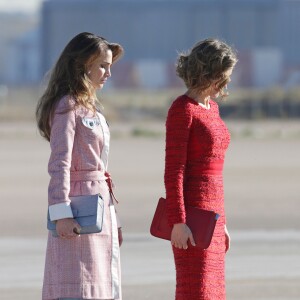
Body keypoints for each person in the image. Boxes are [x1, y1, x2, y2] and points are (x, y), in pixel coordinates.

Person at [36, 32, 124, 300]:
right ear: (81, 64)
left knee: (100, 282)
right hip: (77, 209)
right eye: (101, 65)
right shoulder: (67, 106)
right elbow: (59, 163)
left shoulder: (92, 108)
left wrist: (113, 218)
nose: (108, 73)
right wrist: (61, 212)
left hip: (100, 205)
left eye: (110, 66)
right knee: (77, 283)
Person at [164, 39, 237, 299]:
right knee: (197, 290)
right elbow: (174, 171)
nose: (226, 84)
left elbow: (216, 176)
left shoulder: (212, 108)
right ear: (209, 73)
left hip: (214, 217)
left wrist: (223, 223)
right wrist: (178, 222)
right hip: (191, 218)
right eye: (223, 77)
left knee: (214, 291)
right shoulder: (182, 109)